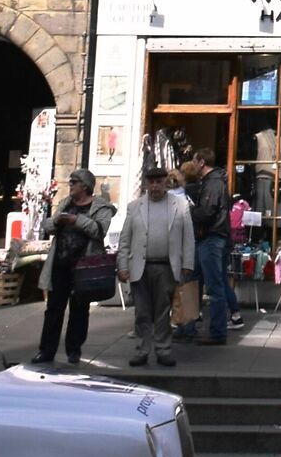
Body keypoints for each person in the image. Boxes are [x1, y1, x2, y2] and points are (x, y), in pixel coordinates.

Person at [118, 163, 195, 367]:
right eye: (151, 183)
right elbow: (125, 239)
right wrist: (122, 265)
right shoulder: (135, 207)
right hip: (140, 266)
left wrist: (188, 263)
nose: (155, 187)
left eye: (158, 182)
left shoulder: (180, 205)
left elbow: (188, 237)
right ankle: (142, 350)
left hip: (166, 267)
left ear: (165, 183)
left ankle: (163, 349)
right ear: (146, 185)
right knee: (142, 312)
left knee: (163, 311)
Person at [35, 168, 113, 366]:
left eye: (73, 182)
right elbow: (48, 226)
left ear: (84, 186)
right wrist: (56, 221)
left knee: (79, 309)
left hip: (83, 266)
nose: (70, 185)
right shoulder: (66, 203)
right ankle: (46, 350)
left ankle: (74, 349)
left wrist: (76, 220)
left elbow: (99, 230)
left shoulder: (100, 207)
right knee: (53, 309)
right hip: (60, 264)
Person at [176, 149, 234, 346]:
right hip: (206, 237)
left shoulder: (213, 182)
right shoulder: (212, 182)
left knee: (214, 286)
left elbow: (208, 212)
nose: (193, 164)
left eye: (194, 160)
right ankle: (188, 327)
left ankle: (217, 332)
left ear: (201, 162)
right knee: (191, 282)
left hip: (211, 237)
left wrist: (189, 210)